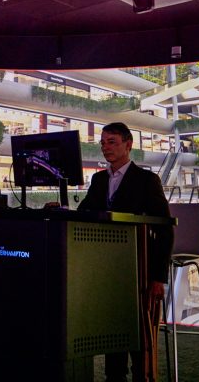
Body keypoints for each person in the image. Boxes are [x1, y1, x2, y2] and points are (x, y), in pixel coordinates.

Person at [78, 122, 174, 382]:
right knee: (114, 329)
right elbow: (84, 213)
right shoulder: (99, 179)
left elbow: (164, 229)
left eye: (111, 142)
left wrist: (158, 277)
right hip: (108, 269)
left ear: (128, 145)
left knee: (140, 337)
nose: (105, 147)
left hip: (140, 267)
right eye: (103, 142)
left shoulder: (147, 180)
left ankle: (143, 376)